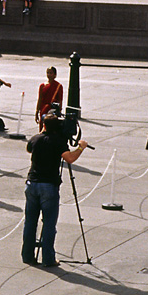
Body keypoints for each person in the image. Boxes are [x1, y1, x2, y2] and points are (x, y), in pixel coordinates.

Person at [23, 114, 89, 266]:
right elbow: (70, 158)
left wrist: (42, 131)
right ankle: (48, 258)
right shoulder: (58, 142)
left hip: (32, 183)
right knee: (49, 223)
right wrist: (81, 147)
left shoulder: (36, 139)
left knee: (30, 222)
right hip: (49, 186)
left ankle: (27, 255)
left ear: (44, 125)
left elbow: (29, 149)